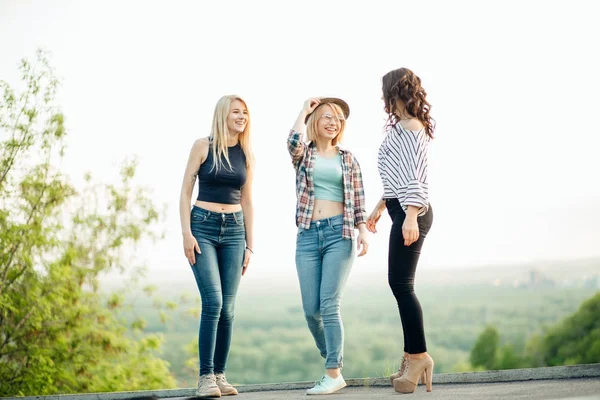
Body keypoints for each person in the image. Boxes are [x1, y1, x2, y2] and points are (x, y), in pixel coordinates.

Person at [287, 97, 369, 395]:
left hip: (340, 234)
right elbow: (293, 141)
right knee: (311, 310)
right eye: (326, 116)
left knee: (329, 305)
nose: (333, 122)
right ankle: (332, 356)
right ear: (315, 121)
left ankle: (333, 372)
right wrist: (304, 110)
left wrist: (363, 232)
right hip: (308, 235)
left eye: (337, 118)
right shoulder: (304, 155)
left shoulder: (348, 159)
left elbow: (358, 202)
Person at [179, 95, 255, 398]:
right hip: (203, 227)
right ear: (223, 115)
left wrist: (251, 245)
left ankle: (220, 375)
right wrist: (187, 233)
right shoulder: (203, 146)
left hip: (235, 232)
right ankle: (205, 377)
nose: (242, 116)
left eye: (245, 112)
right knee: (214, 302)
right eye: (236, 111)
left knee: (229, 308)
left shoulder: (246, 153)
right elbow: (185, 192)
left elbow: (248, 200)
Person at [366, 68, 436, 394]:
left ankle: (418, 356)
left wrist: (409, 215)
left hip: (413, 211)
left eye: (386, 93)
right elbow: (397, 177)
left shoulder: (411, 128)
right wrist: (380, 208)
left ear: (395, 91)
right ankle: (412, 357)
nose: (385, 101)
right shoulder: (399, 128)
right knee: (400, 284)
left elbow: (417, 178)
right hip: (400, 208)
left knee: (402, 285)